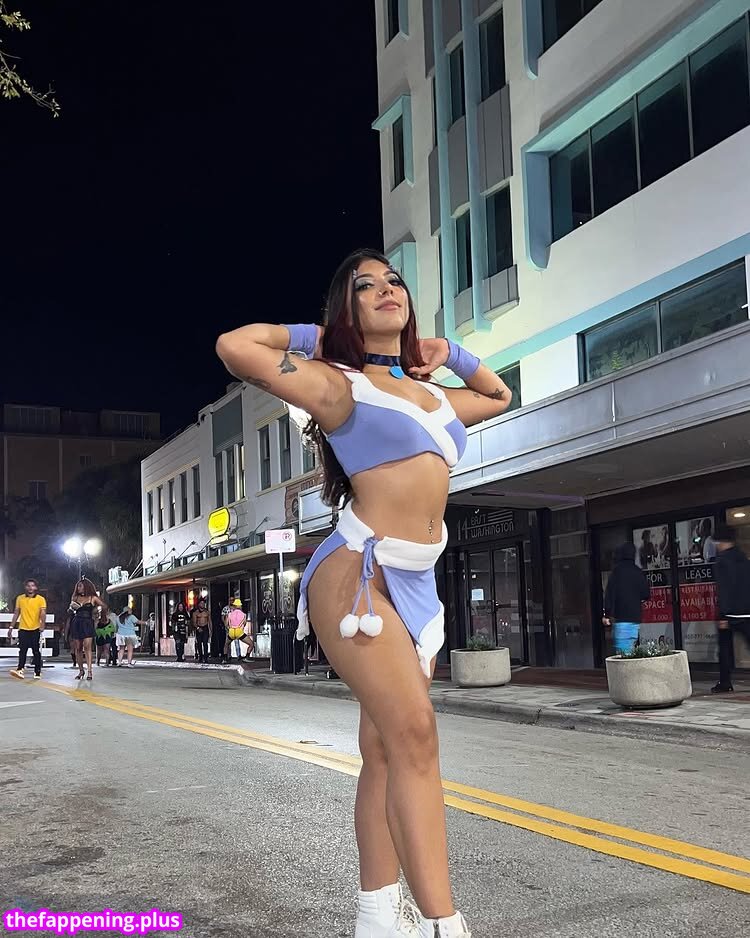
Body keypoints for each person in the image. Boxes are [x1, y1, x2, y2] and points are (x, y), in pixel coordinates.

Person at [216, 248, 511, 938]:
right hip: (359, 576)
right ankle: (444, 925)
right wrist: (324, 337)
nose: (386, 290)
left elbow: (499, 396)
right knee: (416, 735)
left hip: (419, 583)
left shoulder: (434, 395)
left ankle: (376, 915)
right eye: (365, 286)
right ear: (345, 309)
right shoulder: (336, 385)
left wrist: (450, 352)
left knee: (383, 749)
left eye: (394, 281)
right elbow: (236, 345)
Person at [711, 524, 750, 694]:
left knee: (725, 649)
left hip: (731, 613)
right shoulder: (743, 558)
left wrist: (722, 615)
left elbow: (724, 589)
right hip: (747, 610)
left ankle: (725, 682)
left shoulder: (722, 561)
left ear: (721, 541)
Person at [602, 543, 651, 655]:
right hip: (635, 618)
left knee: (623, 654)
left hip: (621, 618)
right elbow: (646, 594)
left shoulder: (616, 572)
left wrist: (607, 614)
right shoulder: (638, 572)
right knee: (631, 650)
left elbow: (609, 595)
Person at [7, 578, 47, 681]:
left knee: (36, 651)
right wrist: (11, 627)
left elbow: (43, 613)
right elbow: (16, 613)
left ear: (36, 587)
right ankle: (20, 669)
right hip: (23, 628)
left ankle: (37, 671)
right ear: (25, 587)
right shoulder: (20, 598)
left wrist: (42, 624)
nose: (30, 587)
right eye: (28, 585)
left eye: (32, 585)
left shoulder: (40, 599)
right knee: (22, 650)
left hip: (35, 628)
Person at [68, 578, 104, 681]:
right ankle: (81, 670)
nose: (78, 588)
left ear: (86, 587)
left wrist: (97, 613)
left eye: (80, 586)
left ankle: (90, 671)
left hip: (88, 622)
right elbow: (70, 610)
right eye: (77, 586)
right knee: (78, 648)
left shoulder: (93, 598)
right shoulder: (75, 597)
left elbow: (103, 606)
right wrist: (71, 609)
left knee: (87, 646)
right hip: (77, 622)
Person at [222, 598, 254, 662]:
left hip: (231, 631)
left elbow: (226, 624)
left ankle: (225, 659)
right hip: (239, 632)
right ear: (240, 606)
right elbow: (244, 624)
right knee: (251, 644)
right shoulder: (244, 615)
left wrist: (229, 628)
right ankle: (246, 657)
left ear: (234, 606)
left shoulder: (229, 614)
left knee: (226, 645)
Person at [191, 599, 212, 663]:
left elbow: (210, 622)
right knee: (199, 643)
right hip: (199, 628)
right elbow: (194, 622)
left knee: (205, 643)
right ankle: (200, 657)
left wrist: (211, 630)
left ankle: (205, 657)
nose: (202, 604)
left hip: (205, 628)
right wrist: (198, 628)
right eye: (201, 603)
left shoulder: (207, 612)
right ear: (199, 604)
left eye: (203, 603)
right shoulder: (195, 613)